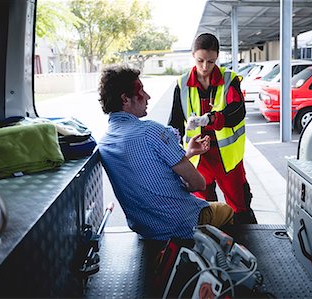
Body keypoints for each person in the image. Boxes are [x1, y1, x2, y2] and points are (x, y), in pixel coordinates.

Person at [97, 64, 234, 241]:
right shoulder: (150, 131)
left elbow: (150, 172)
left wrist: (189, 153)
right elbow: (198, 184)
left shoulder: (106, 141)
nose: (148, 97)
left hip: (146, 230)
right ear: (125, 99)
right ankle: (222, 262)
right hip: (182, 224)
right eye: (141, 91)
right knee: (226, 209)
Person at [168, 33, 257, 224]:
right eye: (200, 60)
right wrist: (172, 152)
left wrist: (210, 118)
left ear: (217, 57)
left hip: (226, 158)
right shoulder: (182, 85)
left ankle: (248, 243)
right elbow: (175, 123)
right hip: (200, 158)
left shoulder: (230, 80)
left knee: (239, 205)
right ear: (193, 55)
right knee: (203, 209)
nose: (205, 67)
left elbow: (237, 112)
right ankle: (212, 248)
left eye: (211, 61)